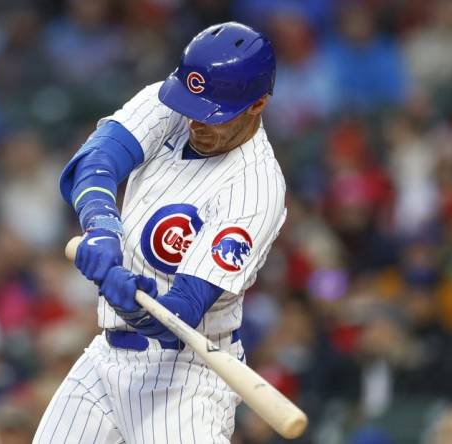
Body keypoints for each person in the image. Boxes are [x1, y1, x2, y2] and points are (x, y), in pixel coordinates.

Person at [34, 21, 286, 443]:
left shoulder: (256, 189)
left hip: (187, 376)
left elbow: (182, 312)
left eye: (213, 113)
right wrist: (101, 226)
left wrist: (132, 300)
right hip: (106, 358)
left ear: (257, 103)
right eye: (191, 103)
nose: (195, 121)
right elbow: (95, 160)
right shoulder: (176, 102)